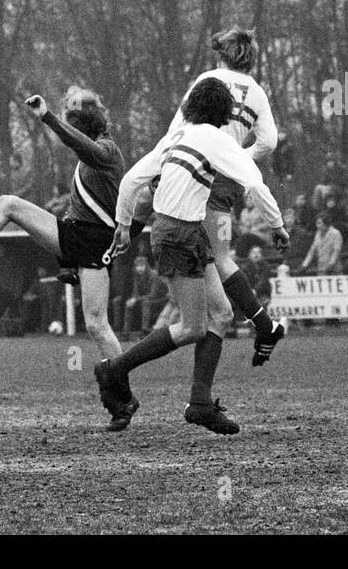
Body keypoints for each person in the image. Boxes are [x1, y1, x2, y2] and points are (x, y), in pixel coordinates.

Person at [96, 77, 289, 434]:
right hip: (178, 234)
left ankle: (200, 403)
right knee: (192, 326)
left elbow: (130, 182)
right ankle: (115, 369)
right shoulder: (217, 140)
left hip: (180, 230)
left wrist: (124, 224)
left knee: (222, 313)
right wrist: (277, 225)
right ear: (224, 112)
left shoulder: (175, 137)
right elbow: (255, 183)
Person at [0, 87, 126, 366]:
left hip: (94, 244)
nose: (68, 126)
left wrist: (48, 117)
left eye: (72, 122)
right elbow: (81, 202)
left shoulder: (107, 150)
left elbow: (81, 145)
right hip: (75, 237)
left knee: (96, 325)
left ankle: (122, 391)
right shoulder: (85, 162)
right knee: (7, 203)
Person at [161, 27, 286, 364]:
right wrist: (241, 157)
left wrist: (162, 169)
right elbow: (270, 142)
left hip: (197, 173)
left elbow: (177, 130)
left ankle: (260, 325)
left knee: (205, 253)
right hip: (228, 179)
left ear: (221, 54)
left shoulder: (208, 79)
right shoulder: (257, 93)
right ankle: (262, 325)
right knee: (219, 255)